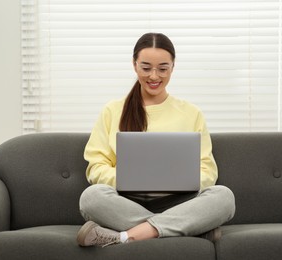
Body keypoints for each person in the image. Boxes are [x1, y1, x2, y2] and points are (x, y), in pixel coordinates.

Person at [77, 32, 235, 247]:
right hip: (126, 201)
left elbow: (207, 170)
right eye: (146, 67)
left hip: (179, 202)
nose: (154, 76)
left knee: (224, 197)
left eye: (162, 68)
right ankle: (186, 229)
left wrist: (176, 182)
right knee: (91, 197)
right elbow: (96, 167)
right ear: (134, 65)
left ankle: (127, 236)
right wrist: (129, 179)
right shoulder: (112, 110)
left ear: (173, 67)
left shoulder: (191, 113)